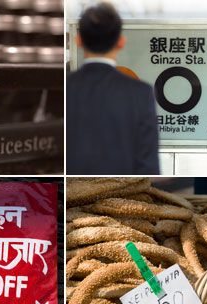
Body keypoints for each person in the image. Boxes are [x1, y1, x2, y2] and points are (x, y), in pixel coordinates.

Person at [66, 2, 160, 175]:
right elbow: (148, 164)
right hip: (119, 195)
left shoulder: (64, 87)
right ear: (121, 42)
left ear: (78, 40)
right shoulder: (140, 92)